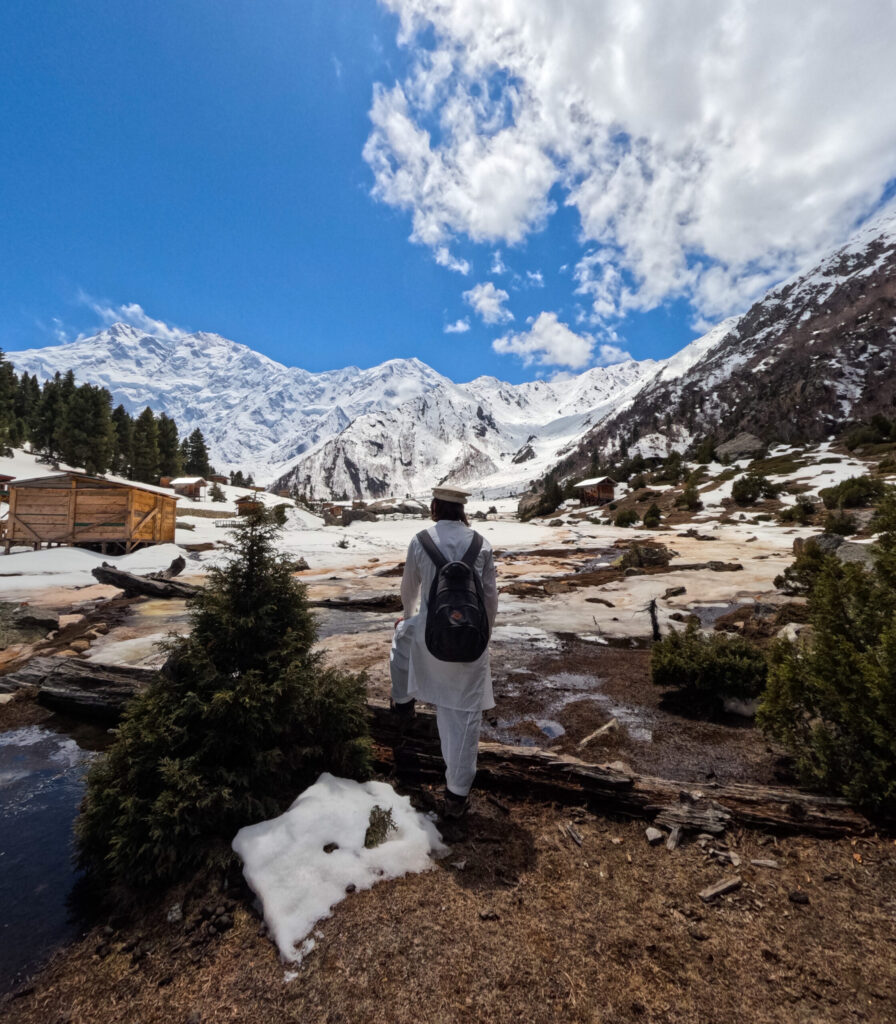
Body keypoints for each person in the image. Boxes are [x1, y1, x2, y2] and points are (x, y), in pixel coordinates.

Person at [390, 486, 498, 818]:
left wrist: (410, 621)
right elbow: (490, 599)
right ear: (462, 510)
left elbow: (409, 591)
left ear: (435, 507)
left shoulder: (420, 540)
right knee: (463, 721)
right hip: (469, 646)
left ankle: (403, 704)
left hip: (428, 642)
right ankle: (456, 796)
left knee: (401, 643)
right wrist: (482, 635)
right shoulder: (482, 544)